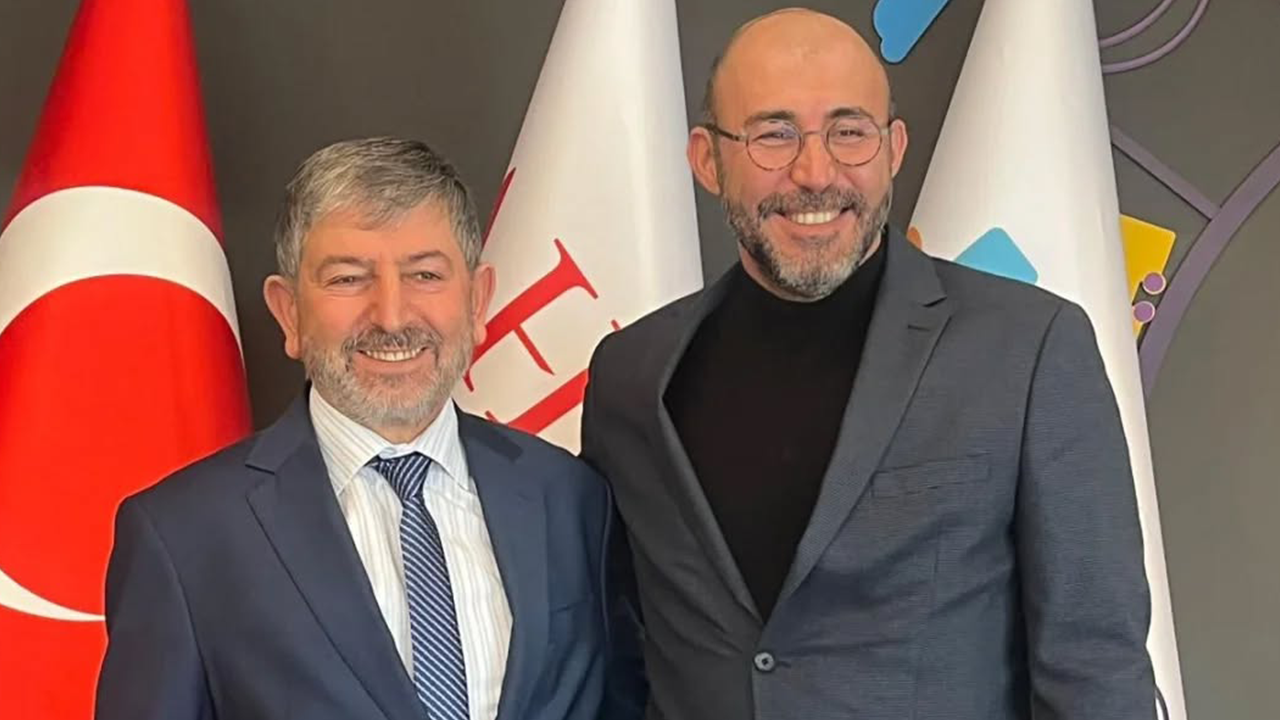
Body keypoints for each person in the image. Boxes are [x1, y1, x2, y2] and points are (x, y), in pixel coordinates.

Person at [581, 9, 1155, 720]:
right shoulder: (630, 376)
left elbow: (1096, 670)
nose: (815, 172)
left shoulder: (1029, 349)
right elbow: (616, 652)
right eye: (773, 134)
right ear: (707, 160)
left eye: (849, 132)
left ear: (893, 149)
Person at [96, 138, 612, 720]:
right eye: (347, 279)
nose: (391, 316)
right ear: (289, 312)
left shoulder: (572, 498)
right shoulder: (183, 535)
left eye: (425, 274)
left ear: (477, 303)